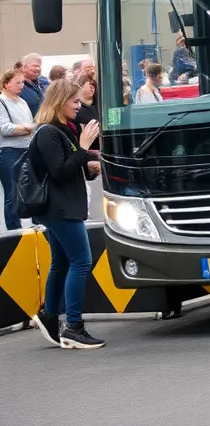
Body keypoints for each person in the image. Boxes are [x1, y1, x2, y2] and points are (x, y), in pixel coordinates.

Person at [29, 79, 104, 349]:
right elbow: (59, 172)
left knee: (61, 263)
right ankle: (73, 325)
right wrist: (83, 148)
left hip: (65, 206)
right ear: (60, 102)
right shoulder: (48, 132)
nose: (79, 106)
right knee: (81, 261)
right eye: (74, 101)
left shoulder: (64, 130)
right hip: (59, 207)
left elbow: (71, 167)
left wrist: (90, 163)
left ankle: (50, 316)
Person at [0, 69, 34, 232]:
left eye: (22, 82)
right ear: (6, 84)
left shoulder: (22, 102)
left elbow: (30, 124)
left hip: (27, 149)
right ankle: (14, 231)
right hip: (9, 152)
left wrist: (28, 128)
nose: (22, 86)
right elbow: (5, 129)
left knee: (32, 188)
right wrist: (28, 128)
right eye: (18, 82)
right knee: (12, 193)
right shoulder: (2, 102)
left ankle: (37, 222)